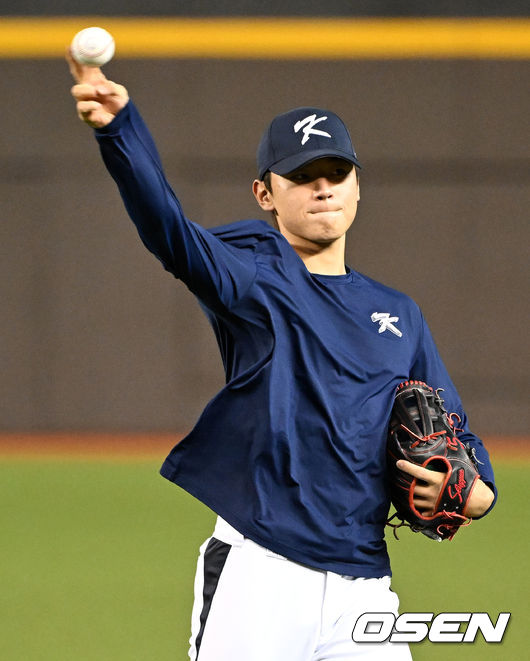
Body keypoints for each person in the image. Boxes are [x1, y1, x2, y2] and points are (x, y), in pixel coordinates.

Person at [68, 55, 496, 661]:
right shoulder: (253, 280)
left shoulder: (399, 313)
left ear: (357, 184)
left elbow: (458, 433)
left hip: (365, 589)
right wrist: (120, 129)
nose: (323, 187)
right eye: (302, 175)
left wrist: (477, 492)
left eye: (336, 172)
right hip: (261, 574)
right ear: (265, 194)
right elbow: (168, 229)